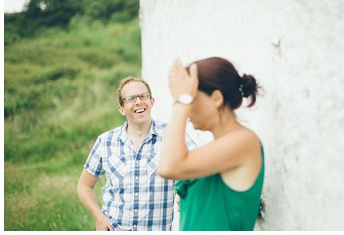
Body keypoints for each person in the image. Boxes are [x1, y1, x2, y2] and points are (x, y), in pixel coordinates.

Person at [158, 57, 264, 231]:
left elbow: (168, 166)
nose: (187, 108)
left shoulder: (244, 142)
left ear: (216, 98)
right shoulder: (217, 150)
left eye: (191, 99)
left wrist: (180, 101)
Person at [76, 77, 196, 231]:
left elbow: (198, 173)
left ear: (152, 101)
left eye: (143, 96)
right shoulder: (105, 142)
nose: (139, 101)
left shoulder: (173, 135)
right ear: (121, 109)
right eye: (131, 98)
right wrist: (98, 216)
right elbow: (84, 185)